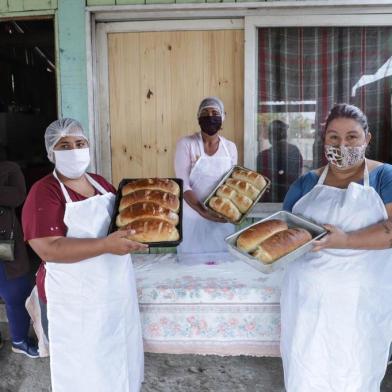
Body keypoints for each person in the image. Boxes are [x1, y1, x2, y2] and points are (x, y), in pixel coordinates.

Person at [22, 118, 146, 392]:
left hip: (114, 291)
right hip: (74, 300)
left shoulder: (100, 183)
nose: (74, 150)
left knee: (117, 359)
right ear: (51, 152)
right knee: (84, 369)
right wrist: (105, 245)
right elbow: (48, 248)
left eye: (80, 143)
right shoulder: (44, 192)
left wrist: (139, 236)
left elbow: (118, 224)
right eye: (64, 145)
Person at [281, 103, 392, 391]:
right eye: (333, 137)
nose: (342, 144)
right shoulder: (306, 183)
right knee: (307, 373)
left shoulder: (384, 177)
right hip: (306, 303)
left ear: (368, 138)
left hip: (359, 305)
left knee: (354, 374)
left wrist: (345, 240)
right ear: (324, 140)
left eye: (352, 137)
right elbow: (286, 232)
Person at [175, 97, 238, 254]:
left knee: (223, 269)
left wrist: (221, 212)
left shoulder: (230, 147)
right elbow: (182, 184)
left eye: (215, 112)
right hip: (193, 217)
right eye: (205, 112)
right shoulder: (187, 144)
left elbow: (232, 183)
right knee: (192, 269)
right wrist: (203, 211)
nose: (210, 116)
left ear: (223, 117)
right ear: (198, 117)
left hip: (222, 217)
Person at [0, 160, 38, 358]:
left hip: (5, 246)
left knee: (15, 294)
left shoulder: (10, 168)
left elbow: (18, 197)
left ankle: (19, 341)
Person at [257, 120, 303, 201]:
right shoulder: (295, 151)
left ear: (272, 136)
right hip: (292, 199)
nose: (268, 136)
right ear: (285, 135)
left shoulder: (263, 156)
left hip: (269, 202)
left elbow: (262, 183)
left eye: (270, 133)